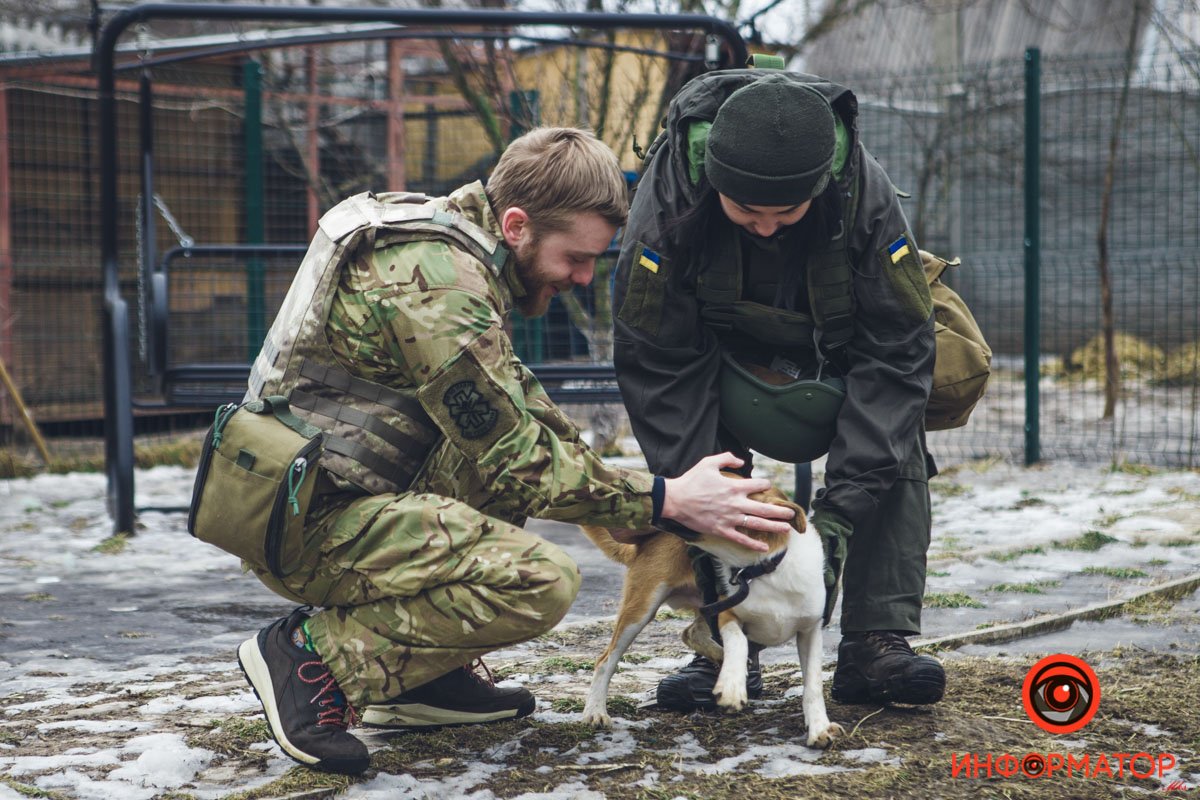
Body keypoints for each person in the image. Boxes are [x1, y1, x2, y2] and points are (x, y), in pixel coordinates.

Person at [234, 127, 797, 775]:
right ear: (517, 224)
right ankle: (313, 656)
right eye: (577, 258)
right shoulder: (437, 283)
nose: (585, 279)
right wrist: (665, 499)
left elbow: (525, 410)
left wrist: (628, 498)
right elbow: (515, 457)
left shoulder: (460, 252)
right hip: (306, 523)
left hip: (330, 495)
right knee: (538, 583)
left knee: (503, 487)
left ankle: (418, 680)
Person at [613, 69, 946, 713]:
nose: (765, 228)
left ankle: (878, 641)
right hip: (716, 357)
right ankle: (725, 636)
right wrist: (702, 492)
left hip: (837, 351)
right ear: (714, 188)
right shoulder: (668, 202)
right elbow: (658, 364)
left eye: (785, 213)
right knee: (706, 478)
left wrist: (840, 514)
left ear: (818, 188)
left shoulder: (864, 198)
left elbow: (898, 354)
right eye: (745, 212)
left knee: (896, 435)